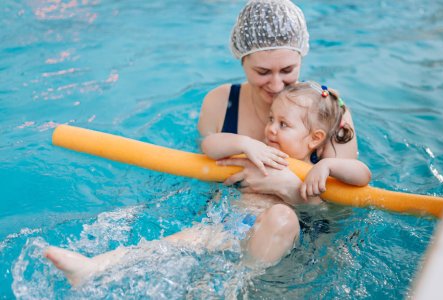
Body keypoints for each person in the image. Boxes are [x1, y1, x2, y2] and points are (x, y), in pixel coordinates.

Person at [44, 81, 370, 287]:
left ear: (314, 139)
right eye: (271, 118)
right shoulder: (261, 149)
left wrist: (327, 165)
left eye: (282, 124)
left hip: (273, 240)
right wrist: (245, 143)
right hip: (230, 227)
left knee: (280, 221)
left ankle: (235, 285)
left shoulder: (314, 167)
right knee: (168, 245)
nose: (270, 128)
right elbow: (210, 146)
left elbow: (362, 176)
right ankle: (91, 268)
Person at [197, 0, 361, 268]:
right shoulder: (219, 104)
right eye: (262, 72)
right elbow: (202, 181)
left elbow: (341, 215)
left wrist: (289, 188)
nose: (275, 85)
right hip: (232, 222)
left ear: (301, 58)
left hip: (304, 241)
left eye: (287, 71)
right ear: (242, 60)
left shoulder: (330, 114)